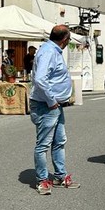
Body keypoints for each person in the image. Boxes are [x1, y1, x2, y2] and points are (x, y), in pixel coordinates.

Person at [29, 25, 80, 195]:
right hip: (46, 105)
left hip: (54, 105)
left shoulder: (52, 50)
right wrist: (51, 101)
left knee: (59, 141)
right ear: (65, 39)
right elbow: (40, 79)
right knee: (43, 144)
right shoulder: (49, 52)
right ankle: (42, 180)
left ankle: (60, 175)